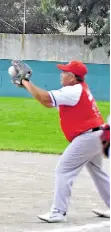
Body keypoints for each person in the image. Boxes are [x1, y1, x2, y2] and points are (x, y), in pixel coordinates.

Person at [11, 60, 110, 222]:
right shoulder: (77, 89)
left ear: (72, 77)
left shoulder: (73, 91)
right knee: (98, 172)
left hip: (89, 136)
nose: (61, 74)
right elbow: (48, 103)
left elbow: (45, 98)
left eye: (64, 72)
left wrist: (26, 82)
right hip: (97, 135)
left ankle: (58, 211)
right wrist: (28, 86)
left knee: (63, 170)